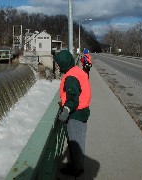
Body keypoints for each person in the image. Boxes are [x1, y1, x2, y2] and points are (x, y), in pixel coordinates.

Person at [54, 50, 91, 178]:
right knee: (79, 141)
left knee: (75, 143)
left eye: (58, 64)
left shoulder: (70, 77)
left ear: (63, 64)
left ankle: (76, 170)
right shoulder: (77, 70)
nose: (57, 66)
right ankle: (76, 165)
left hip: (76, 114)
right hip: (83, 112)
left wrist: (66, 110)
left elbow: (73, 98)